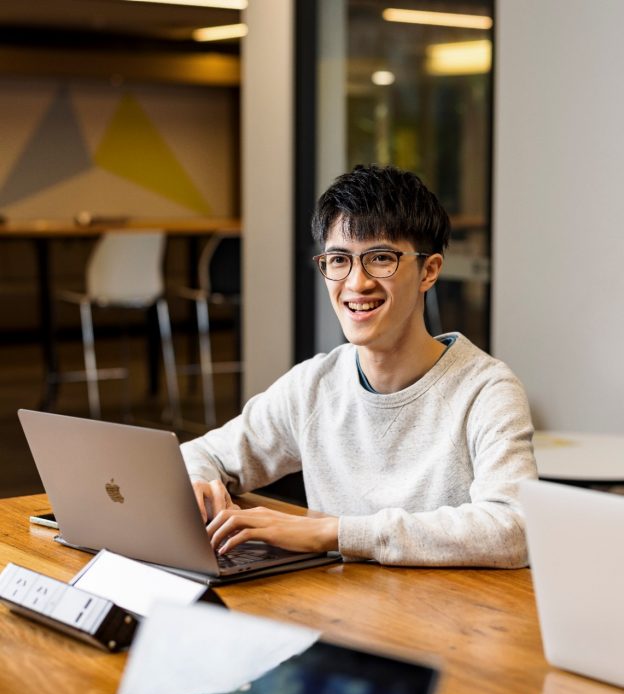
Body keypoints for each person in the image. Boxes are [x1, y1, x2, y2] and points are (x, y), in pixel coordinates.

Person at [181, 164, 537, 568]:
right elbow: (203, 453)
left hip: (445, 619)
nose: (356, 283)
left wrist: (333, 533)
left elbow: (514, 528)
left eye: (381, 259)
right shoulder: (314, 386)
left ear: (430, 270)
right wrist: (197, 485)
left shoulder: (486, 391)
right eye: (339, 260)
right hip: (337, 609)